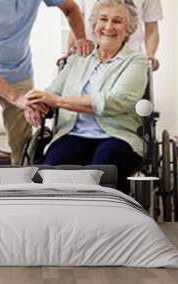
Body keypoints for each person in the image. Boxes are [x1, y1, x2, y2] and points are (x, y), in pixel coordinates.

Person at [25, 0, 148, 194]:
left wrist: (57, 102)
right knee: (53, 173)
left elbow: (116, 101)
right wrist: (36, 105)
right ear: (94, 25)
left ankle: (106, 221)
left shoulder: (136, 61)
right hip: (72, 133)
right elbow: (52, 93)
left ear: (128, 29)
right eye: (103, 19)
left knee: (104, 172)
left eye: (117, 21)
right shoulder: (77, 59)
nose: (108, 27)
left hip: (116, 135)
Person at [0, 0, 94, 165]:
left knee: (23, 142)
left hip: (18, 71)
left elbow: (71, 8)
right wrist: (17, 98)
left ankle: (23, 187)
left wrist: (80, 39)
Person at [68, 0, 162, 71]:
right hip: (89, 55)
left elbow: (152, 27)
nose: (108, 27)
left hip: (129, 59)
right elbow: (77, 19)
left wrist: (150, 54)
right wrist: (70, 48)